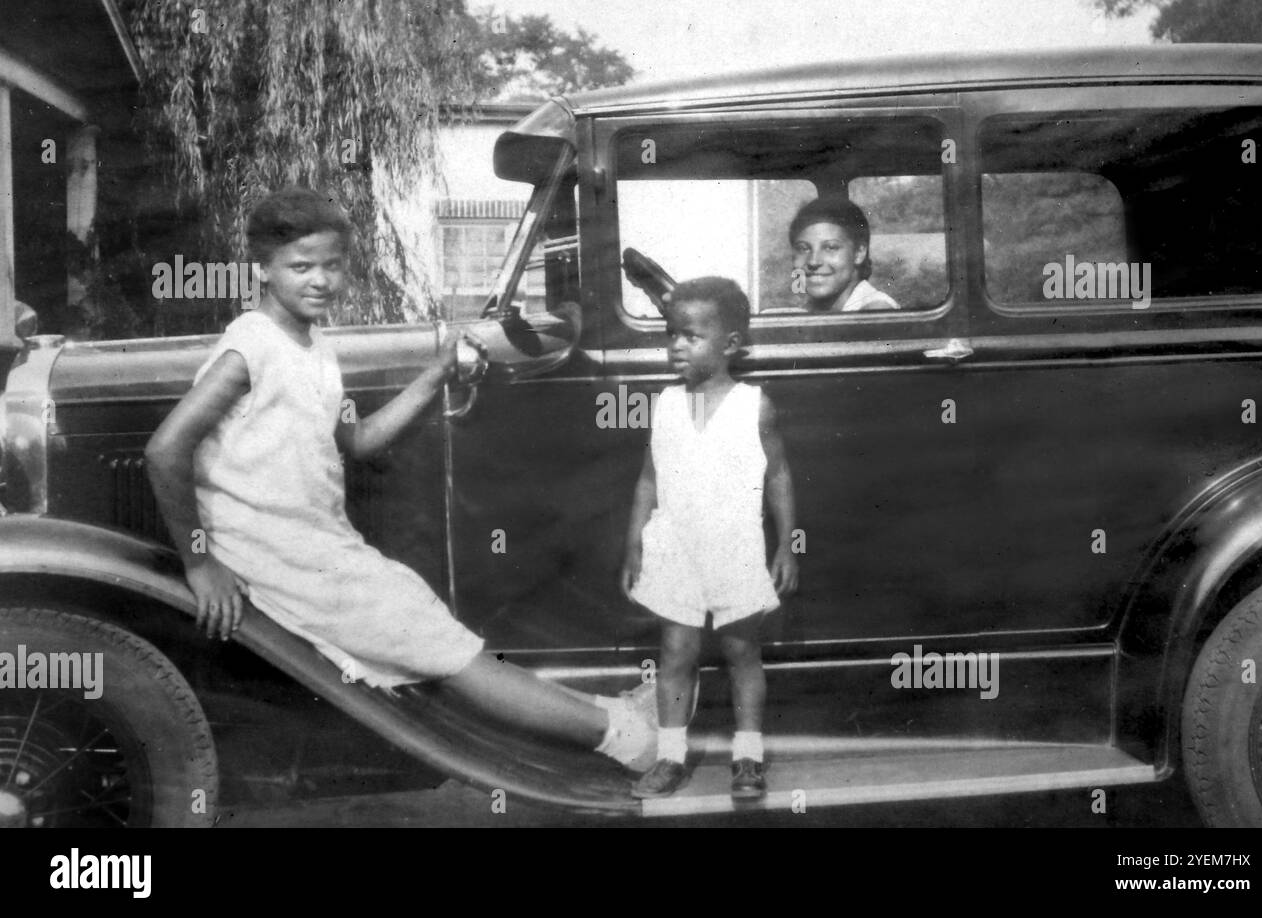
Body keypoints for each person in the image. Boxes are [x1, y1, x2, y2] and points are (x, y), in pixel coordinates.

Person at [145, 187, 654, 772]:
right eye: (300, 267)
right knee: (439, 644)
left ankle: (601, 707)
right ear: (263, 269)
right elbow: (165, 450)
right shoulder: (252, 346)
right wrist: (201, 562)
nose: (320, 281)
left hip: (314, 546)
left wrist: (437, 373)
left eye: (333, 266)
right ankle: (621, 737)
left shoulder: (316, 351)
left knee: (431, 627)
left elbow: (359, 441)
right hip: (268, 554)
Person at [620, 276, 799, 800]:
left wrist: (787, 543)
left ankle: (748, 757)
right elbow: (649, 481)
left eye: (691, 336)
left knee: (743, 653)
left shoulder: (755, 405)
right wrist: (633, 545)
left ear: (730, 345)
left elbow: (779, 476)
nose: (676, 345)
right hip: (674, 549)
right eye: (671, 334)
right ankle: (671, 756)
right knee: (675, 654)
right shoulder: (665, 404)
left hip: (735, 549)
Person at [788, 196, 900, 312]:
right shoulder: (805, 312)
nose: (813, 261)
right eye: (803, 249)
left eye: (830, 247)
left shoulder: (875, 310)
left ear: (859, 253)